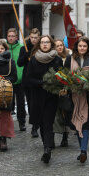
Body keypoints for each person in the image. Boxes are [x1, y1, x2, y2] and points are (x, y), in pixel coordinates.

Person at [26, 35, 63, 163]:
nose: (45, 44)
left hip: (51, 96)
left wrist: (56, 84)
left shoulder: (57, 60)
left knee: (47, 122)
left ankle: (47, 149)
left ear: (51, 44)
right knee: (40, 122)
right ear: (39, 45)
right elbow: (28, 78)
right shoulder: (34, 60)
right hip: (37, 95)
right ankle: (46, 145)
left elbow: (61, 77)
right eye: (42, 42)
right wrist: (41, 82)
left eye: (47, 42)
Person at [64, 37, 89, 163]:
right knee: (77, 122)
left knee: (85, 123)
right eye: (80, 46)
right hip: (73, 97)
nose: (82, 48)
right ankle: (82, 150)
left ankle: (83, 151)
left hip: (88, 98)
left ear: (88, 47)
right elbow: (65, 75)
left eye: (84, 46)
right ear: (76, 47)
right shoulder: (70, 59)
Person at [17, 28, 40, 137]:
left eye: (36, 38)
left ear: (39, 38)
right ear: (29, 37)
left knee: (37, 104)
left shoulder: (41, 48)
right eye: (32, 37)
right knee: (31, 104)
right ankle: (34, 126)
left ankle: (37, 124)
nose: (34, 40)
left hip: (39, 79)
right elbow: (19, 63)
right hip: (28, 80)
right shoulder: (24, 48)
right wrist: (26, 55)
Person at [6, 28, 26, 131]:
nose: (11, 38)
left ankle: (22, 122)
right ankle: (8, 123)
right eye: (9, 36)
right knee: (8, 103)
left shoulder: (22, 48)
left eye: (13, 36)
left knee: (21, 103)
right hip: (8, 80)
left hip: (20, 80)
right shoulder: (4, 48)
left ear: (16, 37)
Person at [53, 39, 71, 147]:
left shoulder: (68, 58)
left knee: (65, 112)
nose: (59, 47)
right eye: (57, 46)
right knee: (55, 114)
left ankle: (65, 136)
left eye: (61, 45)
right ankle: (53, 136)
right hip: (55, 88)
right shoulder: (52, 58)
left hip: (65, 88)